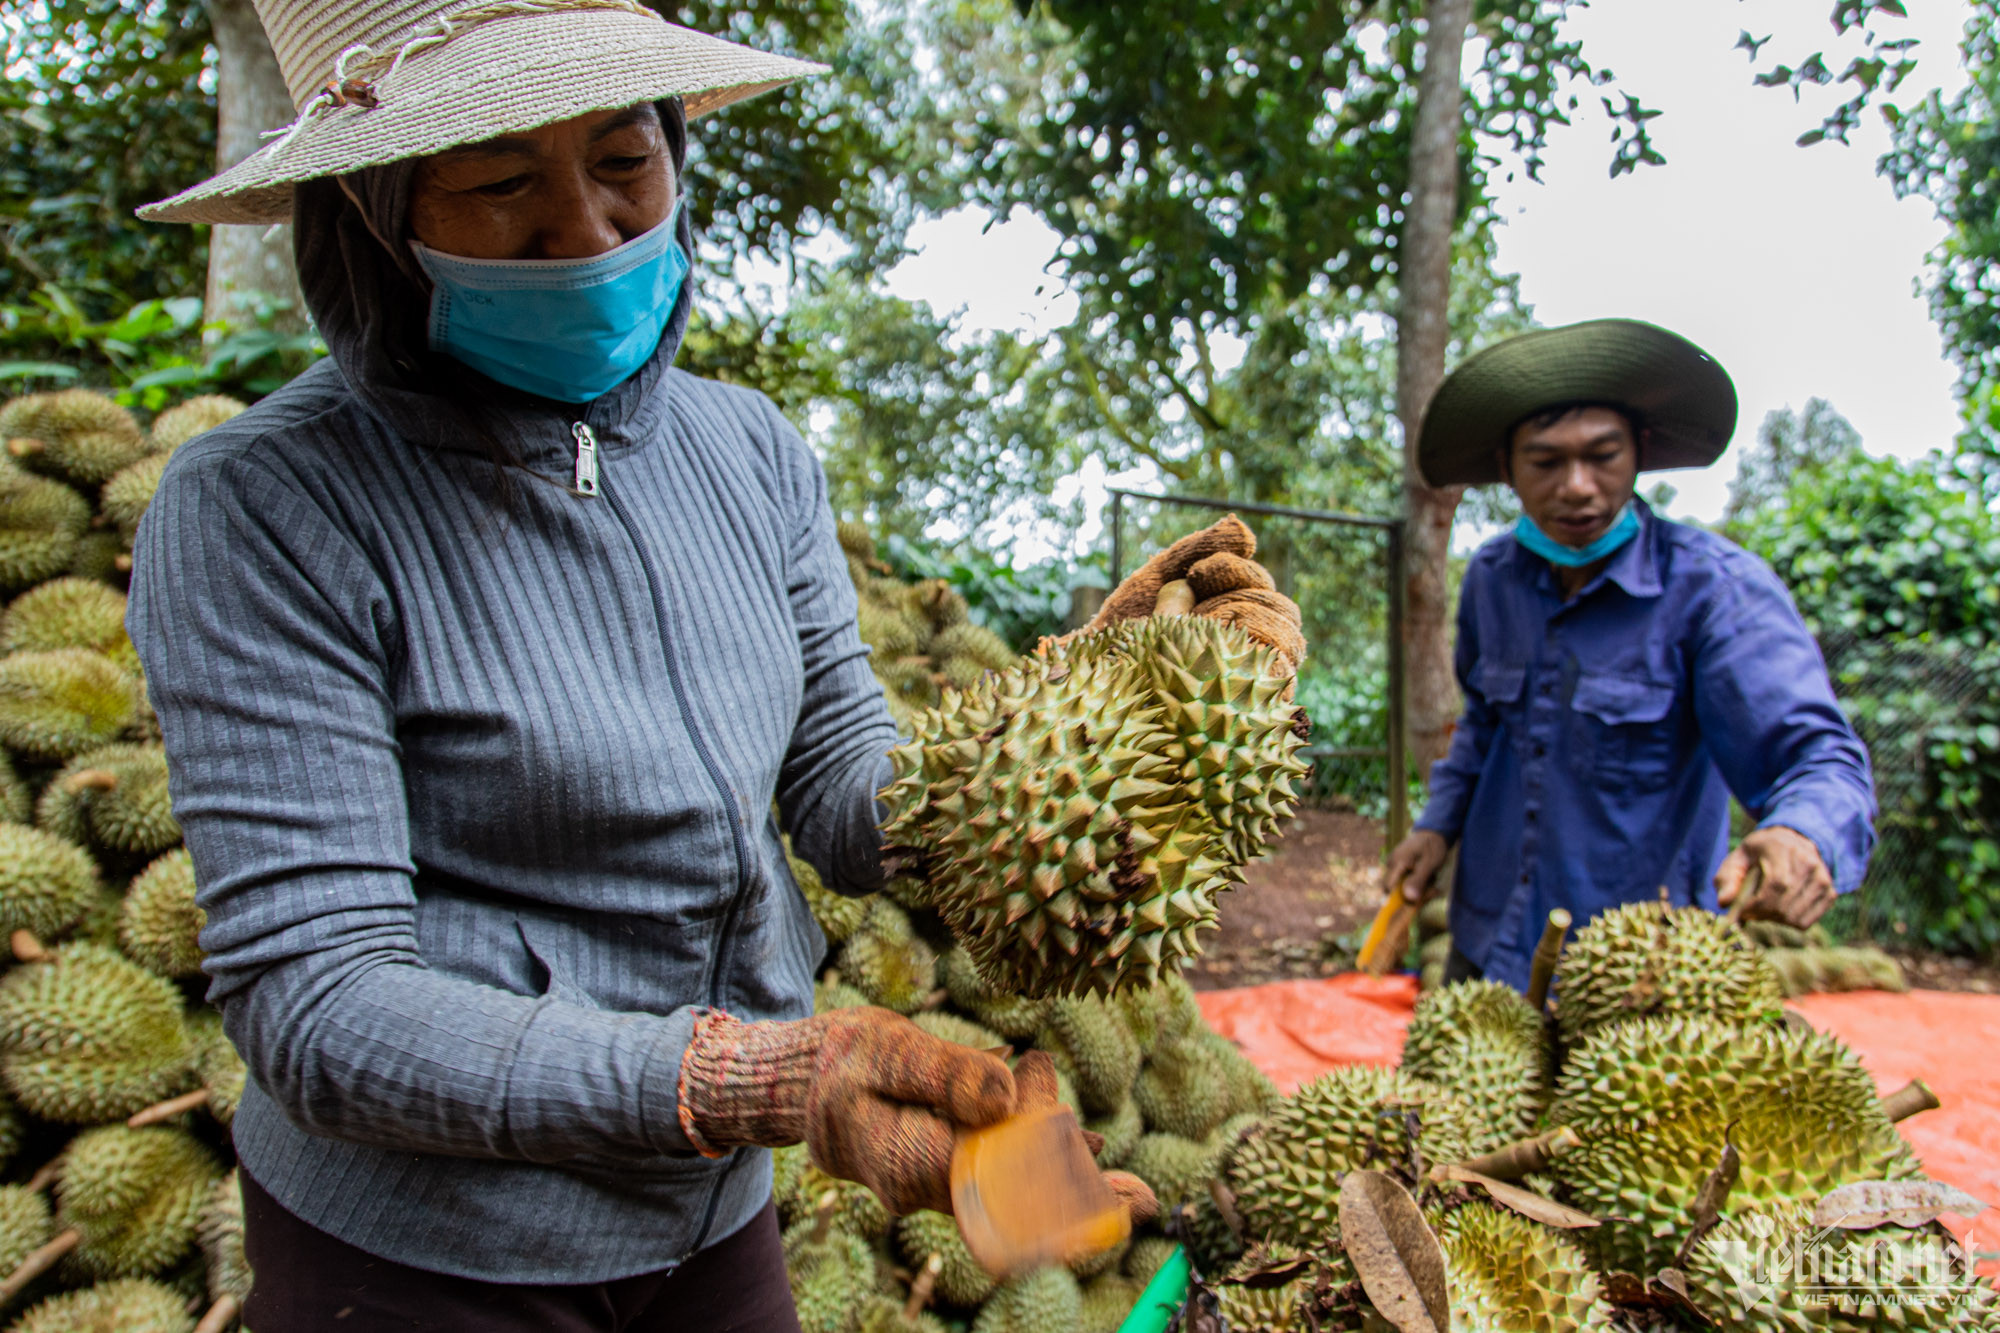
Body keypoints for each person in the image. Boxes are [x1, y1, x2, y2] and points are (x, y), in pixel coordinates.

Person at [129, 1, 1299, 1327]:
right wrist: (751, 1082)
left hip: (713, 1217)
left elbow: (845, 791)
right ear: (372, 213)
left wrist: (1093, 707)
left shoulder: (747, 452)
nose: (585, 229)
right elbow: (322, 999)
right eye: (500, 181)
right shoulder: (266, 506)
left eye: (625, 159)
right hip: (425, 1255)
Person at [1380, 319, 1875, 994]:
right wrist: (1436, 826)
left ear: (1639, 452)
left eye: (1603, 455)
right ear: (1506, 467)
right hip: (1488, 935)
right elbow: (1485, 727)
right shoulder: (1495, 577)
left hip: (1635, 970)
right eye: (1547, 461)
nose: (1578, 486)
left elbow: (1817, 755)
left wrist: (1802, 834)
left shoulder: (1714, 591)